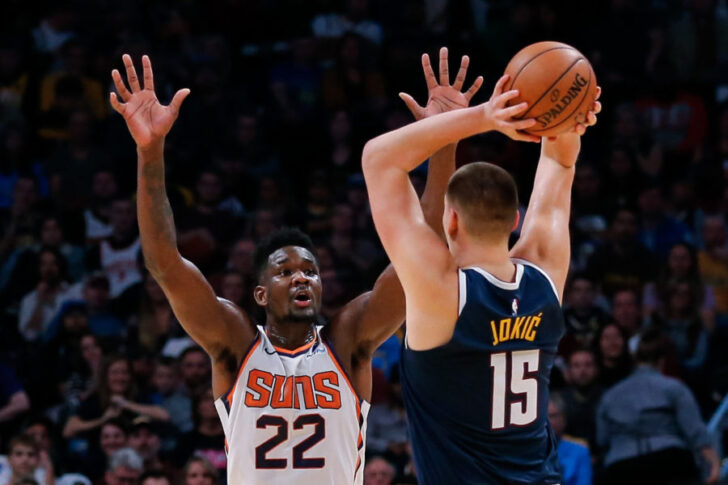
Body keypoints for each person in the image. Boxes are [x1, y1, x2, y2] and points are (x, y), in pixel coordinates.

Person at [110, 48, 477, 484]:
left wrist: (444, 137)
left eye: (310, 271)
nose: (302, 276)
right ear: (260, 293)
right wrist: (150, 154)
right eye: (285, 271)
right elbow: (164, 264)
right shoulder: (234, 342)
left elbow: (424, 255)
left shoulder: (348, 339)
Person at [361, 46, 600, 483]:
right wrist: (569, 116)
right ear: (515, 220)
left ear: (450, 219)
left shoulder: (439, 293)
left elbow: (378, 159)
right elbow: (560, 160)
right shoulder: (545, 273)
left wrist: (485, 117)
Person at [596, 331, 720, 484]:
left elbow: (602, 438)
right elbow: (694, 430)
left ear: (634, 360)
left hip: (622, 466)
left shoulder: (610, 395)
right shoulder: (674, 387)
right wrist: (713, 461)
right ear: (662, 362)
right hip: (669, 461)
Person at [547, 393, 592, 485]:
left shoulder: (580, 451)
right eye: (544, 417)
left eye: (553, 416)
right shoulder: (528, 451)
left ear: (564, 418)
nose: (548, 422)